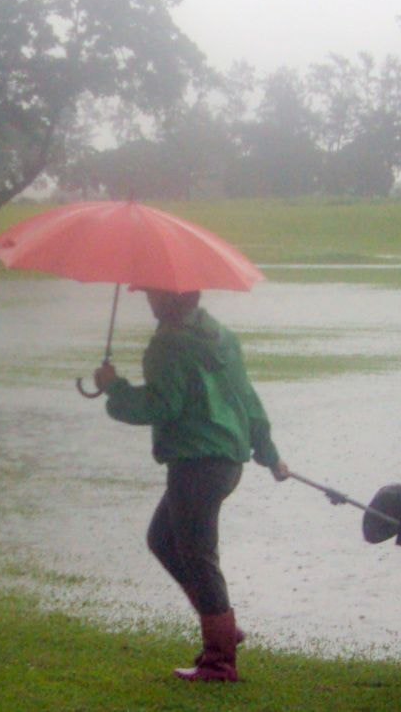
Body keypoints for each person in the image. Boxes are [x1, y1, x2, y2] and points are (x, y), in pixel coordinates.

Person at [92, 287, 289, 682]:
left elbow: (162, 406)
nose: (148, 300)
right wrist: (267, 453)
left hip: (196, 462)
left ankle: (220, 660)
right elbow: (247, 399)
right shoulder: (221, 336)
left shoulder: (168, 344)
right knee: (164, 539)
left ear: (170, 300)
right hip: (227, 461)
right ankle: (224, 630)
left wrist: (114, 388)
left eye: (152, 294)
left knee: (198, 557)